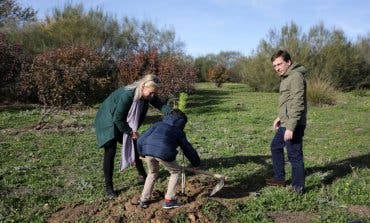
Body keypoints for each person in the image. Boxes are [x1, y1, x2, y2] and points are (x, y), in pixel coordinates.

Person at [94, 74, 172, 198]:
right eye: (151, 93)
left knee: (136, 145)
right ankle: (109, 188)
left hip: (120, 119)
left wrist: (172, 113)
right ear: (143, 87)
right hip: (107, 120)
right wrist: (130, 132)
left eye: (154, 93)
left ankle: (143, 176)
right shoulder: (128, 95)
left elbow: (160, 104)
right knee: (110, 150)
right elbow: (118, 119)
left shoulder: (147, 94)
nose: (152, 96)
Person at [136, 109, 200, 209]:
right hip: (164, 153)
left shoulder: (157, 125)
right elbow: (188, 149)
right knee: (175, 172)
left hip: (148, 151)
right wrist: (196, 163)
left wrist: (141, 153)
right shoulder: (178, 132)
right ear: (182, 123)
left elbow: (140, 139)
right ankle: (169, 200)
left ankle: (143, 199)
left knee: (152, 173)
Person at [265, 50, 307, 194]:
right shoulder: (286, 77)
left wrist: (291, 127)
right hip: (285, 122)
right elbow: (287, 101)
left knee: (294, 155)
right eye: (275, 66)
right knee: (275, 147)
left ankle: (297, 187)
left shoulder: (296, 76)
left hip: (293, 124)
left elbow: (298, 103)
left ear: (288, 62)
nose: (277, 68)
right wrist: (279, 117)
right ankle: (279, 178)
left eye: (279, 64)